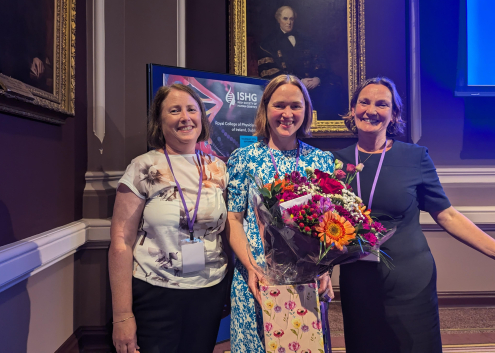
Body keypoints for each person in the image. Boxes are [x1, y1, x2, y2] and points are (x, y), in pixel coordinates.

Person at [333, 76, 495, 353]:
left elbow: (447, 215)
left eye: (382, 104)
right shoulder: (334, 161)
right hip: (358, 278)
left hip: (410, 279)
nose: (371, 110)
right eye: (364, 102)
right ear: (352, 109)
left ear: (394, 114)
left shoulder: (415, 157)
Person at [108, 83, 230, 353]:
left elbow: (228, 231)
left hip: (209, 290)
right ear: (159, 121)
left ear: (202, 117)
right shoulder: (143, 167)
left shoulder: (218, 168)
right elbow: (121, 241)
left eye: (192, 109)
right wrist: (122, 315)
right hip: (155, 291)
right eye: (174, 110)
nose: (185, 117)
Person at [226, 74, 335, 352]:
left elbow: (329, 226)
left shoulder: (322, 161)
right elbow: (234, 220)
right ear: (265, 109)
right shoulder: (243, 158)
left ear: (306, 111)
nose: (287, 114)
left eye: (296, 106)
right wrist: (252, 267)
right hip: (256, 278)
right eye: (279, 105)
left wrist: (326, 270)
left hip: (306, 281)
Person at [257, 5, 345, 118]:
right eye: (285, 18)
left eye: (291, 19)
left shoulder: (306, 39)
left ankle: (327, 127)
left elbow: (321, 62)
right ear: (278, 19)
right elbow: (268, 73)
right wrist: (299, 82)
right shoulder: (268, 44)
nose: (289, 22)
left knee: (332, 91)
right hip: (287, 87)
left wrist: (317, 79)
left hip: (313, 86)